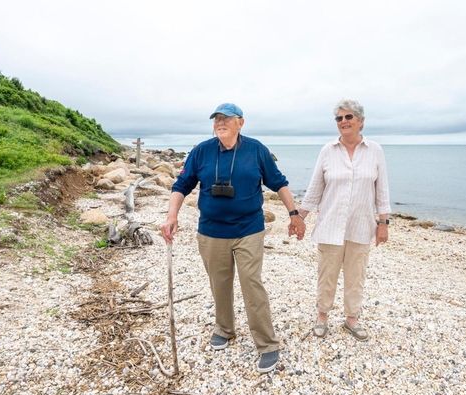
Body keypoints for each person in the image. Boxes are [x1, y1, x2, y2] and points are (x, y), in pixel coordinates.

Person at [160, 102, 305, 374]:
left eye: (226, 119)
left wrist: (294, 214)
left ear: (241, 122)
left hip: (249, 229)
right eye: (217, 119)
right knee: (219, 283)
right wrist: (171, 216)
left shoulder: (256, 150)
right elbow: (181, 185)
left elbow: (279, 182)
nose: (220, 123)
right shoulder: (201, 151)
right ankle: (225, 329)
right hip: (211, 231)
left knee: (252, 284)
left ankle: (267, 344)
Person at [298, 99, 391, 341]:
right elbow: (315, 188)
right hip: (330, 226)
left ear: (361, 121)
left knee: (356, 275)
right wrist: (300, 217)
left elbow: (382, 190)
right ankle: (322, 317)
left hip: (361, 226)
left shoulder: (375, 151)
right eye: (339, 118)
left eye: (348, 117)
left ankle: (352, 319)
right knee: (326, 274)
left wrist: (384, 223)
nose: (343, 122)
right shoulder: (327, 151)